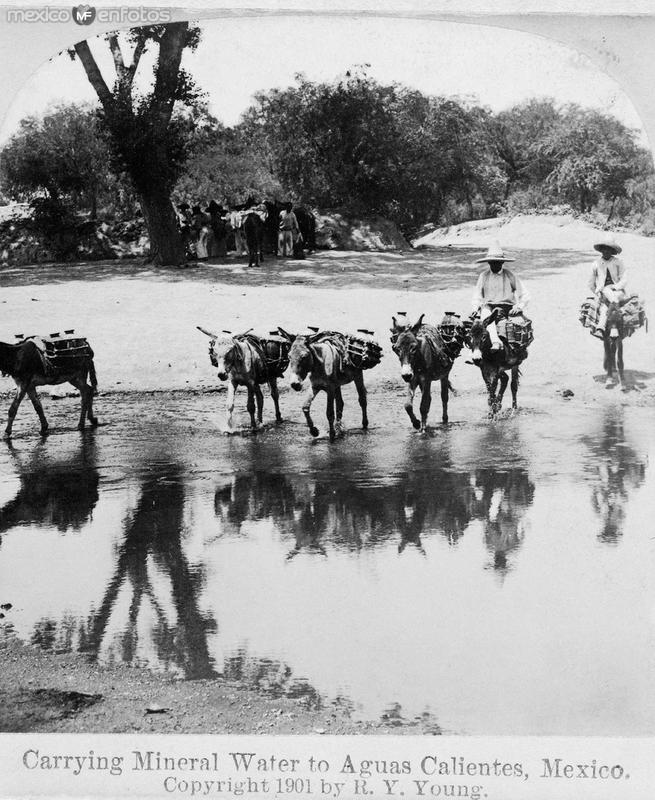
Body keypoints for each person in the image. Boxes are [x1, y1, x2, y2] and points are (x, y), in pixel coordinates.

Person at [471, 243, 530, 351]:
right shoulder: (483, 276)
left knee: (509, 326)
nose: (494, 265)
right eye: (492, 263)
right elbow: (477, 295)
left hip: (506, 307)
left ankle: (505, 348)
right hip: (488, 306)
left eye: (497, 263)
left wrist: (519, 307)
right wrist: (475, 309)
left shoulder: (509, 275)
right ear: (488, 262)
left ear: (502, 262)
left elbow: (524, 294)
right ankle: (480, 350)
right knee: (481, 322)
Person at [588, 235, 627, 334]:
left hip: (618, 291)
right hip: (603, 292)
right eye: (604, 249)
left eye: (609, 249)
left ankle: (601, 327)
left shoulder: (618, 262)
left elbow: (624, 279)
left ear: (612, 250)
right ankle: (609, 327)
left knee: (607, 299)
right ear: (601, 250)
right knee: (605, 298)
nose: (606, 251)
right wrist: (597, 292)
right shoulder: (596, 264)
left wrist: (615, 287)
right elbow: (591, 283)